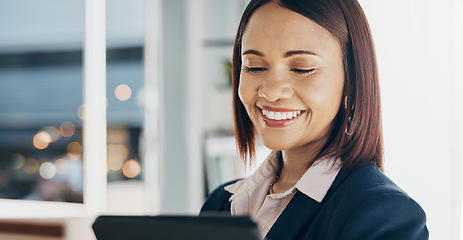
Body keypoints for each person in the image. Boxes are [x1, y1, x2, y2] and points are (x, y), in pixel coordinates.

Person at [200, 0, 429, 239]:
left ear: (352, 81)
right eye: (255, 67)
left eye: (302, 69)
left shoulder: (385, 216)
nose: (270, 91)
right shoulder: (220, 205)